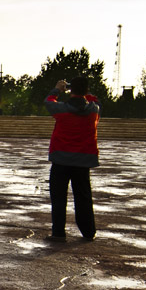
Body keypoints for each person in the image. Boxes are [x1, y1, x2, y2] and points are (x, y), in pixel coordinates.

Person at [44, 76, 100, 242]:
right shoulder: (94, 110)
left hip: (61, 158)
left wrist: (57, 89)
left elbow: (48, 101)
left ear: (71, 90)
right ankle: (88, 231)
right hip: (83, 160)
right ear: (86, 90)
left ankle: (59, 232)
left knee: (59, 198)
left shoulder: (61, 109)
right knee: (83, 197)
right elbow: (95, 100)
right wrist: (85, 92)